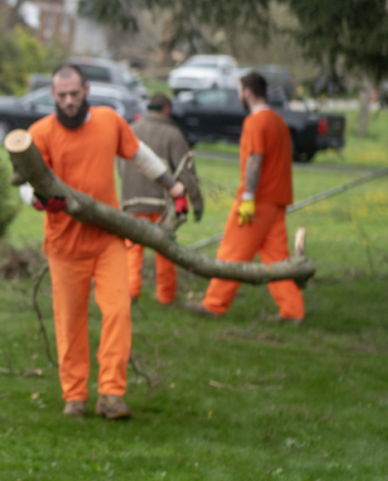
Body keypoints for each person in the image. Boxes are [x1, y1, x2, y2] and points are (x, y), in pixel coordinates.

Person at [29, 64, 187, 419]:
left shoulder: (109, 121)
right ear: (53, 95)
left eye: (75, 94)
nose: (69, 102)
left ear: (86, 89)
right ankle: (74, 396)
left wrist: (175, 188)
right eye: (62, 96)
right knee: (70, 322)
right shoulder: (40, 133)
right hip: (64, 246)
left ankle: (111, 395)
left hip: (108, 240)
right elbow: (27, 180)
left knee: (118, 311)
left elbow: (141, 156)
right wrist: (39, 199)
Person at [185, 72, 305, 321]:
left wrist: (248, 197)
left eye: (240, 91)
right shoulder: (278, 122)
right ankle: (293, 310)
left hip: (257, 200)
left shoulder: (254, 122)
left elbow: (255, 159)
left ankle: (214, 305)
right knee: (277, 259)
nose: (239, 95)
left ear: (247, 92)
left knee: (231, 252)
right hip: (277, 199)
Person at [119, 92, 204, 305]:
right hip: (161, 205)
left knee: (132, 249)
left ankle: (130, 292)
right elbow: (187, 172)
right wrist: (196, 202)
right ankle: (166, 296)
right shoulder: (173, 134)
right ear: (167, 109)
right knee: (164, 249)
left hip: (132, 203)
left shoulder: (131, 130)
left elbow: (120, 165)